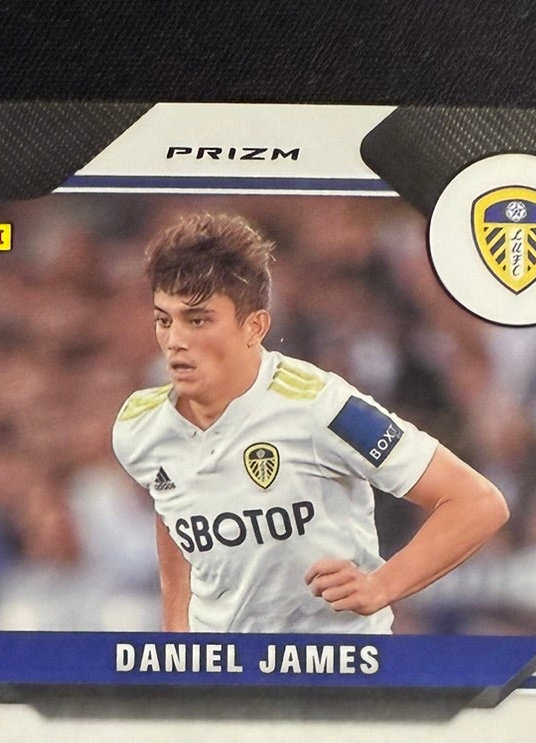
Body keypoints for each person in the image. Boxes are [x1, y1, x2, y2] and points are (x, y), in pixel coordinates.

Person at [112, 212, 508, 634]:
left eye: (198, 320)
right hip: (225, 668)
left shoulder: (321, 406)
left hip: (335, 665)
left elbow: (477, 503)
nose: (175, 340)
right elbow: (173, 509)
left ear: (254, 326)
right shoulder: (139, 426)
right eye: (164, 320)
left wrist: (382, 585)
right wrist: (179, 641)